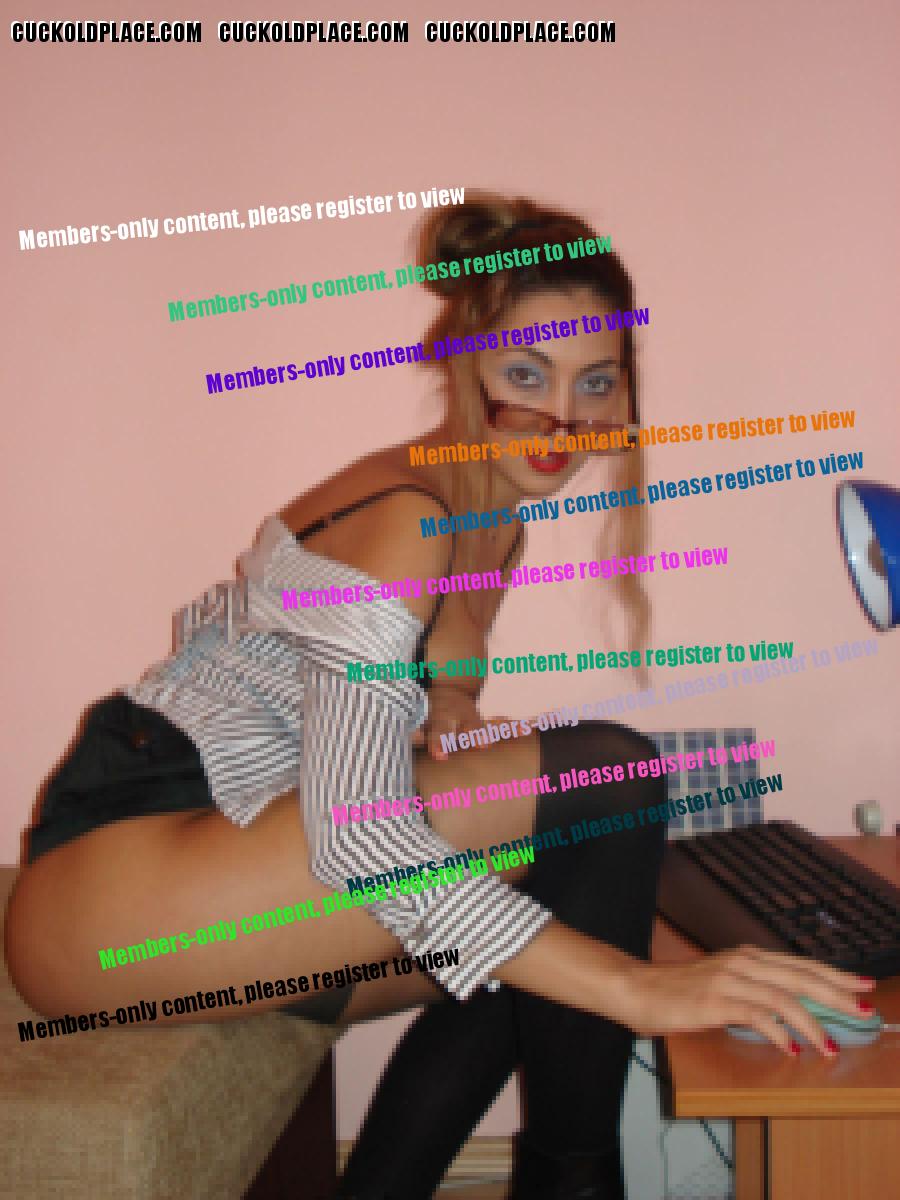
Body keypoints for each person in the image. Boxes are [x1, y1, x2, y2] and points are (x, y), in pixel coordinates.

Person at [5, 195, 871, 1200]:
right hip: (117, 886)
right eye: (525, 375)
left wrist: (451, 718)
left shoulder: (489, 525)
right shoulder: (407, 517)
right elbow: (362, 843)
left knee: (556, 889)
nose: (562, 419)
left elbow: (440, 676)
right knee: (609, 776)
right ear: (462, 362)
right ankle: (578, 1184)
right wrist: (640, 991)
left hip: (239, 854)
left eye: (594, 381)